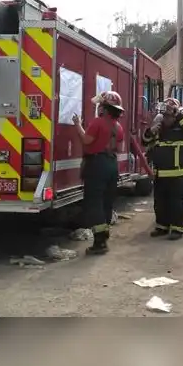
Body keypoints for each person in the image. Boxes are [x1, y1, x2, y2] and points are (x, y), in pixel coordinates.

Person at [71, 90, 125, 255]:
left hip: (96, 164)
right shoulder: (118, 126)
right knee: (107, 202)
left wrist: (77, 125)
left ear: (105, 107)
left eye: (100, 105)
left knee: (95, 203)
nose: (99, 108)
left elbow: (87, 140)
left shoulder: (97, 122)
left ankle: (100, 242)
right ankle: (103, 238)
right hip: (111, 164)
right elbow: (120, 149)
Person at [142, 98, 183, 240]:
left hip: (177, 174)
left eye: (169, 115)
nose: (165, 118)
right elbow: (145, 141)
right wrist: (149, 132)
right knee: (160, 202)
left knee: (176, 203)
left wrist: (178, 115)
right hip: (161, 173)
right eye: (164, 115)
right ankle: (162, 227)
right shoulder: (159, 128)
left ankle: (177, 229)